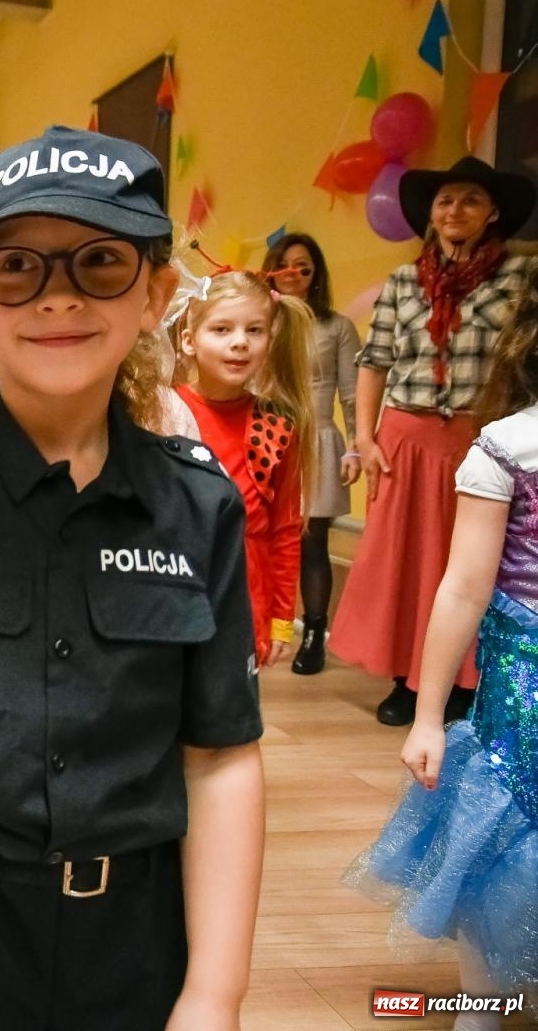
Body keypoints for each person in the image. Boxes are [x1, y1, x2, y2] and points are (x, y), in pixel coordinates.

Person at [0, 126, 264, 1030]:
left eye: (99, 263)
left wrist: (214, 996)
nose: (58, 298)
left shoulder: (199, 505)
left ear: (156, 295)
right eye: (17, 267)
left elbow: (222, 754)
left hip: (141, 940)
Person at [346, 295, 538, 1028]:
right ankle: (482, 1006)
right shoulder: (508, 444)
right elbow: (462, 586)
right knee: (502, 834)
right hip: (524, 684)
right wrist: (429, 715)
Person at [329, 156, 538, 725]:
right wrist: (365, 439)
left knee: (471, 562)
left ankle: (466, 684)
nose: (455, 210)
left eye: (470, 200)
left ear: (493, 212)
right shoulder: (404, 281)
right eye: (445, 201)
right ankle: (407, 679)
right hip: (406, 434)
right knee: (406, 562)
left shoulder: (518, 280)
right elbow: (375, 362)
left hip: (481, 437)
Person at [174, 270, 315, 665]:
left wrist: (281, 619)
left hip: (246, 596)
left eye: (254, 330)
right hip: (175, 586)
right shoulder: (164, 411)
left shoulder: (277, 425)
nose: (239, 342)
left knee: (230, 715)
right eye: (221, 329)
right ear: (189, 340)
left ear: (269, 342)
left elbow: (285, 530)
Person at [265, 233, 361, 674]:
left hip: (317, 440)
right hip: (264, 435)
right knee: (257, 534)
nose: (294, 272)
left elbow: (352, 392)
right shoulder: (261, 319)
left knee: (311, 542)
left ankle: (315, 636)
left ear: (316, 272)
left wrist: (357, 446)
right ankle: (259, 625)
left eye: (303, 265)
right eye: (284, 264)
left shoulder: (337, 326)